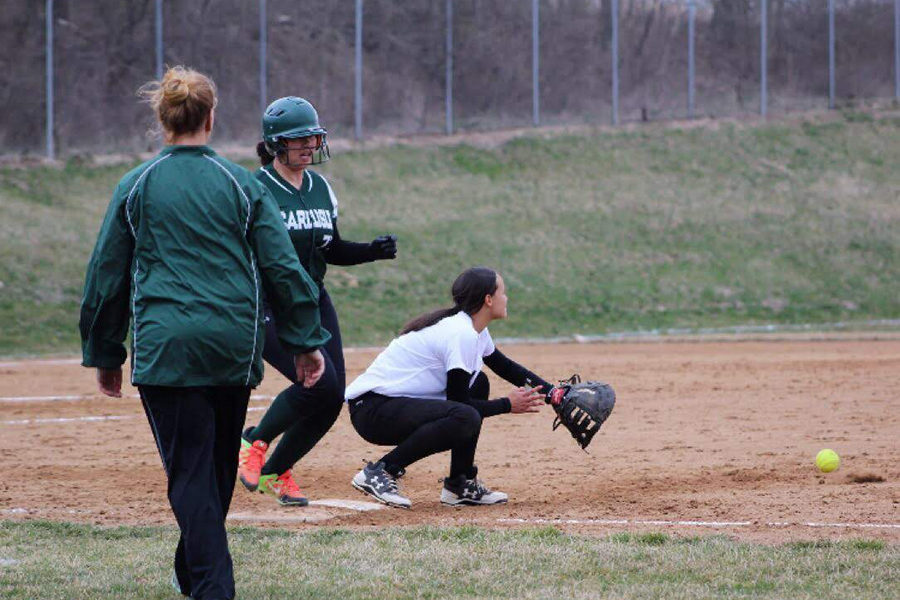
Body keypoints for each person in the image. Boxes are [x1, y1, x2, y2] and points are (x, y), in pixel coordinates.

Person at [79, 67, 329, 600]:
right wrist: (307, 340)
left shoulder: (135, 184)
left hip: (167, 349)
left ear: (163, 121)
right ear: (211, 118)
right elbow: (284, 268)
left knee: (194, 474)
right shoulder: (241, 184)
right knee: (212, 472)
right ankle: (199, 578)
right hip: (231, 349)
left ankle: (210, 586)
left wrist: (105, 352)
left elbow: (107, 275)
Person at [236, 96, 398, 506]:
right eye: (299, 139)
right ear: (276, 144)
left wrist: (370, 251)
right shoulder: (255, 189)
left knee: (332, 396)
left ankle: (275, 471)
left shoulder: (320, 187)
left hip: (313, 299)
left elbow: (330, 248)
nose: (310, 145)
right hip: (271, 304)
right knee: (317, 384)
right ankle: (254, 441)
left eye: (314, 136)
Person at [345, 266, 552, 509]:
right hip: (373, 410)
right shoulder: (460, 333)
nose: (506, 298)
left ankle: (459, 484)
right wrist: (507, 404)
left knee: (479, 384)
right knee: (464, 416)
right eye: (503, 293)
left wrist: (554, 394)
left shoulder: (473, 330)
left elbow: (505, 367)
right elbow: (460, 404)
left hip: (390, 406)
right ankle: (381, 472)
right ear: (488, 299)